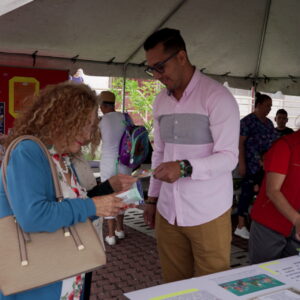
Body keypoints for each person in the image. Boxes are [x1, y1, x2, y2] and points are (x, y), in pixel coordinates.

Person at [0, 82, 128, 300]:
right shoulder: (29, 151)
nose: (89, 136)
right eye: (84, 124)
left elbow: (72, 207)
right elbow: (33, 217)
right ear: (62, 119)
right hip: (40, 280)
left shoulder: (61, 158)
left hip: (68, 270)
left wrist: (109, 190)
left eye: (92, 126)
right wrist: (94, 205)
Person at [142, 28, 240, 283]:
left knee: (213, 287)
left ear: (182, 57)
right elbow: (160, 153)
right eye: (151, 69)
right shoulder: (160, 101)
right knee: (174, 285)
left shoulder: (217, 97)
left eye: (160, 67)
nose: (157, 76)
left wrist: (185, 168)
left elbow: (229, 157)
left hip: (208, 212)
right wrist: (152, 200)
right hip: (167, 210)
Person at [249, 130, 300, 264]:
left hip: (296, 227)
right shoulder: (285, 145)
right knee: (263, 276)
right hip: (270, 223)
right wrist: (297, 219)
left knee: (292, 273)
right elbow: (272, 190)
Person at [235, 92, 278, 239]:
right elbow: (240, 143)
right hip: (250, 164)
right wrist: (241, 163)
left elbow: (274, 144)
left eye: (271, 107)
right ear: (258, 105)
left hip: (266, 166)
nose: (269, 109)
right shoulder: (247, 122)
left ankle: (259, 223)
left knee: (263, 194)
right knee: (246, 194)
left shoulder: (269, 123)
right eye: (267, 106)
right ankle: (240, 225)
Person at [99, 91, 132, 246]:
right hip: (125, 163)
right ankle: (120, 229)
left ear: (103, 105)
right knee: (123, 195)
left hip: (108, 162)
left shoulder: (102, 121)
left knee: (109, 196)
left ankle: (111, 235)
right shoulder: (126, 117)